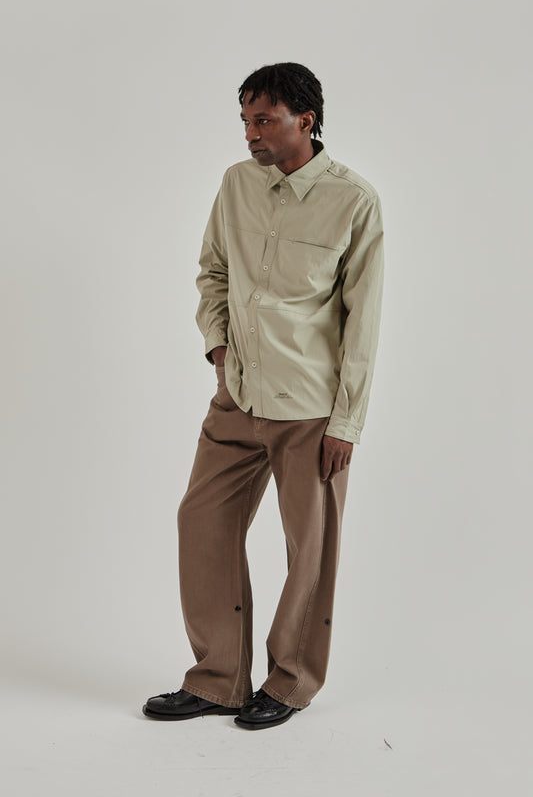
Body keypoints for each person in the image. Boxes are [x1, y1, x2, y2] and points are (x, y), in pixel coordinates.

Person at [142, 62, 385, 730]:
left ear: (306, 121)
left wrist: (347, 422)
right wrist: (219, 349)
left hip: (310, 410)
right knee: (202, 522)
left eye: (264, 121)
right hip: (237, 397)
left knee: (309, 549)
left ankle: (291, 682)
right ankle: (218, 679)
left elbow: (362, 321)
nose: (251, 133)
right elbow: (213, 271)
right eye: (246, 120)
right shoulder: (235, 183)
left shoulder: (354, 201)